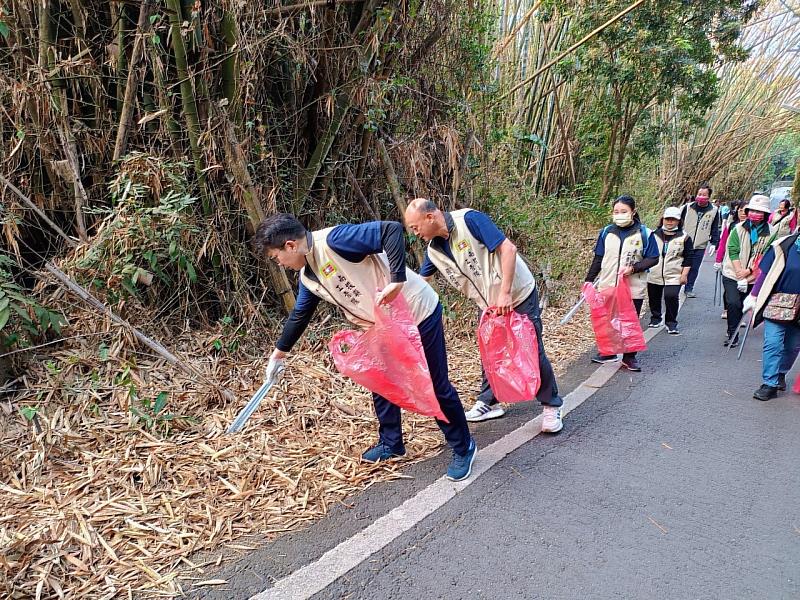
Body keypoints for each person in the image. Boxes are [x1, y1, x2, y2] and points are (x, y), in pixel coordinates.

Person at [253, 214, 476, 481]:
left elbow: (390, 230)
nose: (279, 263)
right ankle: (392, 443)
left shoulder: (334, 242)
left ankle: (464, 447)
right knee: (381, 380)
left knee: (435, 386)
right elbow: (300, 314)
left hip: (417, 313)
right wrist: (278, 354)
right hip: (383, 325)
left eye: (276, 257)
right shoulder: (308, 275)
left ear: (290, 245)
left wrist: (397, 279)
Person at [403, 199, 564, 433]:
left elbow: (508, 249)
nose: (415, 233)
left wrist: (506, 292)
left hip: (517, 293)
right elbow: (420, 283)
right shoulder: (433, 251)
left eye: (415, 227)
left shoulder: (469, 220)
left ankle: (552, 404)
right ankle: (489, 401)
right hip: (488, 303)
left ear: (430, 217)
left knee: (530, 349)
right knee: (490, 351)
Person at [584, 195, 659, 371]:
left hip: (632, 286)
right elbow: (599, 257)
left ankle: (629, 356)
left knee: (629, 321)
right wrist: (589, 279)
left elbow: (653, 258)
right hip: (608, 283)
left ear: (633, 212)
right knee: (608, 319)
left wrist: (634, 268)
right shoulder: (606, 232)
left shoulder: (644, 233)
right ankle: (608, 351)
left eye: (624, 211)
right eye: (616, 212)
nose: (619, 215)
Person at [743, 230, 800, 401]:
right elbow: (766, 273)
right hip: (778, 301)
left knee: (793, 347)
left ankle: (780, 373)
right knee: (773, 343)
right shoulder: (784, 245)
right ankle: (770, 383)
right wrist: (753, 296)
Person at [720, 194, 775, 347]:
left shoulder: (773, 232)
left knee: (744, 304)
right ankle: (732, 333)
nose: (755, 214)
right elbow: (732, 249)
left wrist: (749, 271)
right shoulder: (737, 228)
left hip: (754, 276)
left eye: (759, 212)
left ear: (765, 214)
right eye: (752, 210)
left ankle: (735, 327)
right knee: (733, 303)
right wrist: (739, 271)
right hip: (732, 272)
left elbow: (767, 255)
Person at [647, 206, 694, 335]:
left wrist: (684, 274)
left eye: (673, 219)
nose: (670, 222)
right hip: (654, 272)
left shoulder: (684, 237)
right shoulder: (653, 234)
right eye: (667, 219)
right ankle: (655, 318)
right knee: (654, 297)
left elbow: (689, 257)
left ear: (679, 221)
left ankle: (671, 322)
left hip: (674, 273)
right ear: (662, 219)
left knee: (671, 296)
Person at [680, 184, 720, 297]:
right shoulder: (687, 207)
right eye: (699, 194)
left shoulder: (714, 210)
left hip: (700, 245)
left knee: (694, 268)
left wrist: (714, 243)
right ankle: (675, 285)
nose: (701, 196)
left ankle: (689, 288)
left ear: (709, 196)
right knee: (679, 265)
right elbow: (679, 223)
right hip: (684, 242)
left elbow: (714, 228)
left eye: (704, 195)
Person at [715, 200, 746, 320]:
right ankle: (727, 309)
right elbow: (723, 243)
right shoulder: (732, 226)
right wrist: (718, 260)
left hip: (747, 265)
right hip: (730, 262)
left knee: (742, 292)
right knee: (730, 289)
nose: (743, 213)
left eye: (745, 211)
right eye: (741, 210)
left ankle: (738, 314)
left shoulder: (756, 229)